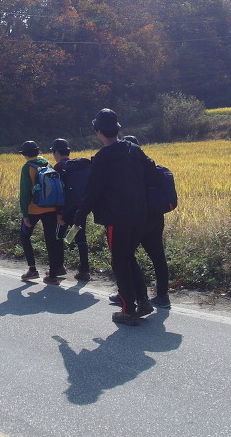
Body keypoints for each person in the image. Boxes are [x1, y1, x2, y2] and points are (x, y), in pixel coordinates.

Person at [69, 109, 153, 326]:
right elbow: (152, 170)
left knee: (120, 261)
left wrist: (79, 217)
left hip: (117, 218)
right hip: (140, 215)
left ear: (98, 132)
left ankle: (128, 310)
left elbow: (92, 192)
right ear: (117, 129)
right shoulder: (133, 149)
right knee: (128, 257)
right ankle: (143, 301)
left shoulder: (103, 158)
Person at [117, 136, 171, 309]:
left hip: (139, 218)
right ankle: (163, 296)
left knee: (125, 256)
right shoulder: (151, 165)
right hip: (156, 216)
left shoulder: (131, 169)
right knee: (158, 256)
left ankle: (130, 293)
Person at [18, 140, 65, 285]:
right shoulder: (47, 164)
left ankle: (32, 269)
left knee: (24, 235)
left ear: (25, 154)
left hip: (34, 208)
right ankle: (53, 275)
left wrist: (25, 215)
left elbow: (24, 192)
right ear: (38, 151)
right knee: (51, 240)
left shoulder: (27, 168)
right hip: (51, 207)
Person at [49, 138, 91, 281]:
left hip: (66, 210)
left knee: (58, 236)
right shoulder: (78, 165)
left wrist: (58, 214)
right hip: (81, 209)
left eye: (53, 152)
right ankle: (84, 270)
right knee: (80, 237)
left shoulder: (59, 167)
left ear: (57, 152)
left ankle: (58, 267)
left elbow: (57, 193)